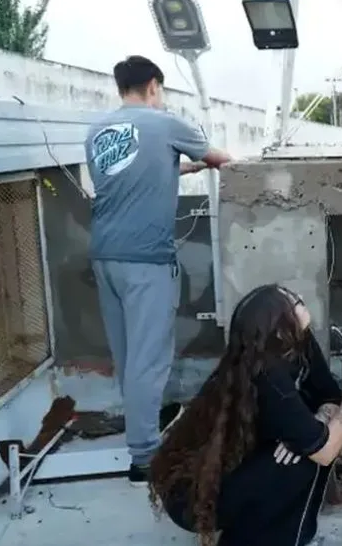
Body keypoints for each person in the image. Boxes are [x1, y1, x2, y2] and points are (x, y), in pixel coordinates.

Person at [85, 55, 233, 484]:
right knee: (149, 360)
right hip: (146, 260)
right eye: (161, 90)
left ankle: (140, 429)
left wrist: (186, 166)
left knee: (128, 354)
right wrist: (209, 159)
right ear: (153, 86)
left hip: (105, 256)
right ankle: (145, 456)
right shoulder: (164, 122)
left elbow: (138, 173)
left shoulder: (99, 132)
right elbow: (221, 157)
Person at [147, 284, 342, 546]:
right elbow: (325, 451)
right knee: (305, 458)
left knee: (307, 443)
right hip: (193, 495)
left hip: (236, 467)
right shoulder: (267, 376)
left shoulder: (298, 342)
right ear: (279, 327)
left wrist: (320, 419)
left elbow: (328, 395)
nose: (302, 301)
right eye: (296, 302)